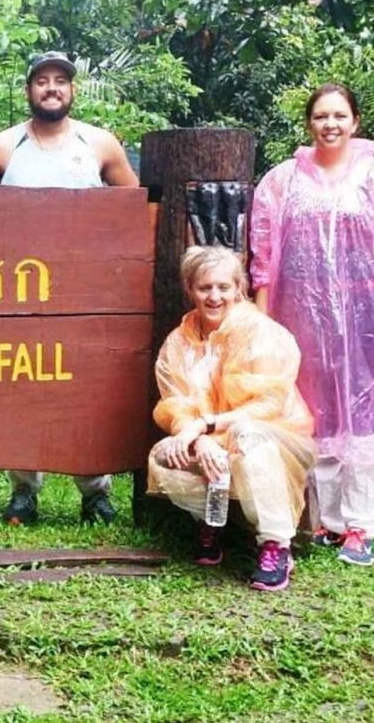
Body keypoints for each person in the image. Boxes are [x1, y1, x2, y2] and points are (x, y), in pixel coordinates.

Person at [250, 83, 374, 567]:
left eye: (339, 115)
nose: (329, 124)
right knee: (314, 416)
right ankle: (326, 523)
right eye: (320, 116)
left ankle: (361, 526)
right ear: (309, 123)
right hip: (299, 322)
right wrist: (263, 322)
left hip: (367, 323)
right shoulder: (281, 181)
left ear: (355, 122)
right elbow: (263, 257)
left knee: (367, 421)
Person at [0, 50, 140, 526]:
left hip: (86, 295)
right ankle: (24, 490)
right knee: (23, 391)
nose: (52, 88)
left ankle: (95, 492)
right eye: (42, 81)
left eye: (60, 81)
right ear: (28, 90)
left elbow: (132, 207)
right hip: (18, 295)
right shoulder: (1, 148)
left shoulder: (99, 145)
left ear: (72, 90)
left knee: (85, 393)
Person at [149, 246, 317, 592]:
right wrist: (199, 439)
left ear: (239, 288)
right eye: (204, 287)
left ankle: (275, 545)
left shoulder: (261, 332)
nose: (214, 297)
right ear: (190, 289)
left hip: (273, 440)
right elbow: (175, 404)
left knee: (247, 434)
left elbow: (268, 403)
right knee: (164, 454)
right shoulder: (178, 342)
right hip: (211, 440)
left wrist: (208, 425)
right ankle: (210, 521)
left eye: (223, 287)